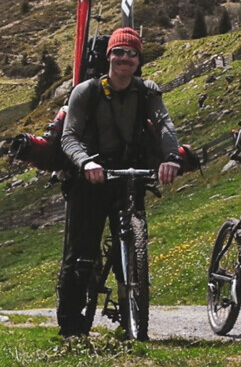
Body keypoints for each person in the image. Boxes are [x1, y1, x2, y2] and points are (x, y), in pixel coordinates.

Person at [55, 27, 183, 336]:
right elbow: (69, 136)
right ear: (109, 56)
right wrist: (86, 162)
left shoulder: (147, 90)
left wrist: (171, 158)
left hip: (130, 176)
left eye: (132, 53)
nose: (125, 58)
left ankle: (132, 318)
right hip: (91, 177)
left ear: (139, 60)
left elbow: (165, 124)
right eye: (119, 52)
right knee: (81, 253)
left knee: (132, 244)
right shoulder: (87, 91)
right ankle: (70, 327)